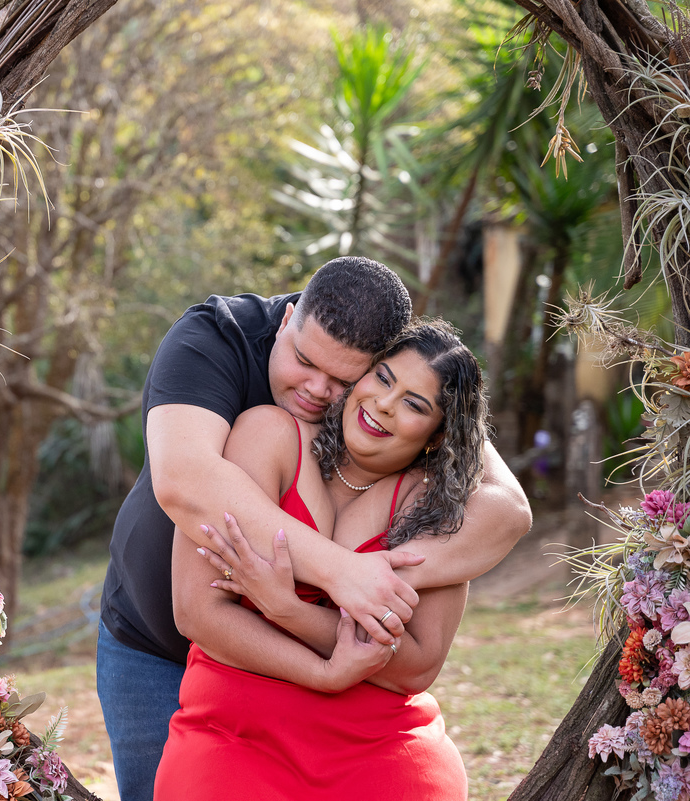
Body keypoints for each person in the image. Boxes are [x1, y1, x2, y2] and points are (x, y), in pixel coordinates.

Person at [97, 257, 531, 801]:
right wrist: (345, 578)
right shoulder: (217, 340)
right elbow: (184, 483)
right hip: (157, 644)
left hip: (361, 730)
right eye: (303, 360)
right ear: (286, 319)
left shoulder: (411, 425)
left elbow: (509, 507)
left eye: (344, 378)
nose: (316, 389)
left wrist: (365, 586)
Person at [154, 320, 485, 800]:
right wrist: (325, 672)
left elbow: (415, 667)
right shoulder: (268, 435)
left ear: (437, 434)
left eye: (415, 404)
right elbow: (197, 612)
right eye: (383, 378)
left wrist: (288, 610)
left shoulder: (435, 504)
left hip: (379, 741)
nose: (384, 404)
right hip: (235, 729)